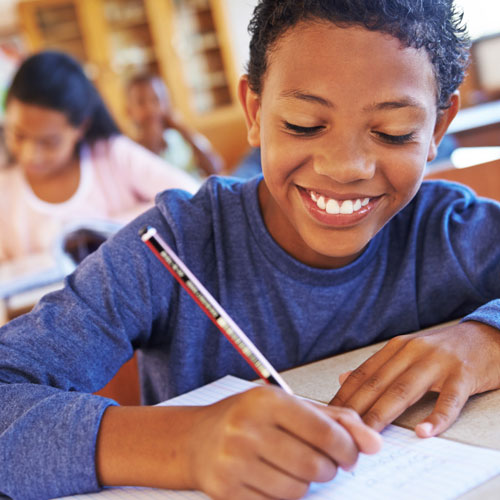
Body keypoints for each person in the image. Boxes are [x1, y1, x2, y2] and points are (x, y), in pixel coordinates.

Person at [1, 1, 500, 499]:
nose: (345, 166)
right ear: (255, 111)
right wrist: (184, 444)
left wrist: (486, 339)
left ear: (437, 127)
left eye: (393, 132)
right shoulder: (175, 244)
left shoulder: (450, 231)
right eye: (305, 123)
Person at [0, 51, 199, 262]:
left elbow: (190, 198)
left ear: (80, 127)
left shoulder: (111, 155)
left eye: (50, 142)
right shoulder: (6, 188)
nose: (32, 155)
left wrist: (95, 230)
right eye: (18, 135)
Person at [126, 73, 224, 179]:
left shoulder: (182, 136)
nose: (150, 108)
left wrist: (183, 130)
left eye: (156, 100)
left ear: (168, 104)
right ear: (129, 111)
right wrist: (152, 144)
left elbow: (215, 169)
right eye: (141, 102)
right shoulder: (131, 150)